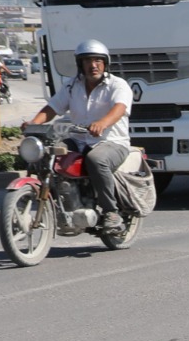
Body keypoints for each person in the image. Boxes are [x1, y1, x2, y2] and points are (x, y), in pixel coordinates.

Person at [32, 41, 135, 231]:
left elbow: (119, 108)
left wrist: (102, 123)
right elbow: (53, 107)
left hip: (112, 142)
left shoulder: (117, 85)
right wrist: (33, 124)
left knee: (95, 159)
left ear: (105, 63)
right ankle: (62, 203)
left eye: (97, 60)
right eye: (87, 60)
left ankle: (111, 212)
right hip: (79, 140)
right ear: (80, 64)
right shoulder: (72, 86)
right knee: (47, 154)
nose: (93, 65)